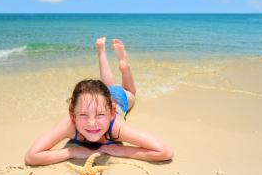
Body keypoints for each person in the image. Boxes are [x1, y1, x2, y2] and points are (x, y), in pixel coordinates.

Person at [24, 37, 173, 166]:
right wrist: (72, 152)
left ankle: (124, 67)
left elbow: (165, 152)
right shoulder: (69, 124)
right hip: (101, 99)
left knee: (130, 92)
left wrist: (123, 150)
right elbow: (31, 157)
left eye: (100, 115)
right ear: (72, 114)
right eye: (83, 115)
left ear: (112, 114)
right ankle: (101, 50)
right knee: (106, 87)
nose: (91, 123)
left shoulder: (117, 128)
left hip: (119, 99)